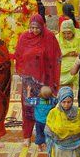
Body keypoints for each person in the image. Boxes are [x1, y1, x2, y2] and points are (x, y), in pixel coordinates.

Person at [15, 14, 61, 146]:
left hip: (44, 80)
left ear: (42, 26)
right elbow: (18, 55)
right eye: (32, 27)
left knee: (45, 106)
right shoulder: (24, 37)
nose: (34, 31)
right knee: (27, 106)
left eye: (37, 28)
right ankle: (27, 135)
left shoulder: (49, 37)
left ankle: (46, 135)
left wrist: (52, 81)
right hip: (29, 81)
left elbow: (56, 57)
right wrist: (22, 72)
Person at [44, 86, 80, 157]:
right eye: (63, 102)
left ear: (72, 100)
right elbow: (48, 131)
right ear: (59, 101)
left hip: (76, 148)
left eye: (69, 102)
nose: (66, 104)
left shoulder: (79, 112)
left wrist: (68, 132)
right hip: (60, 150)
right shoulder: (53, 113)